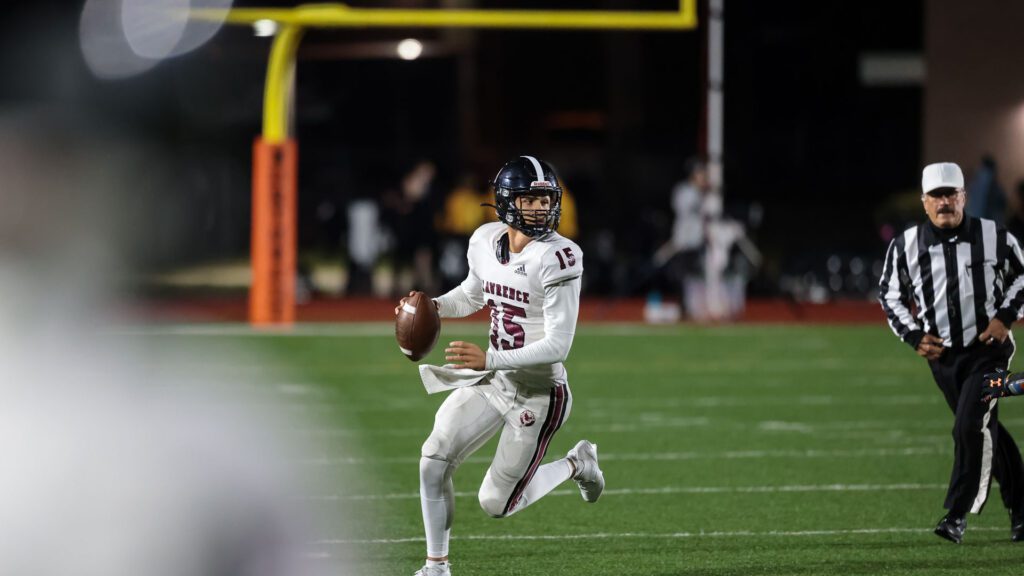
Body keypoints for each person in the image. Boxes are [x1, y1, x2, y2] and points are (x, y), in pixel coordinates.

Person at [395, 155, 605, 576]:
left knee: (496, 503)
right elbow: (473, 295)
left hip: (539, 393)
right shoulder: (485, 240)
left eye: (546, 200)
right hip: (493, 381)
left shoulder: (560, 257)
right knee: (433, 457)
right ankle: (436, 567)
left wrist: (489, 357)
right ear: (507, 202)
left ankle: (576, 463)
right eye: (531, 200)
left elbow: (558, 346)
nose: (541, 209)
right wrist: (431, 306)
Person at [878, 161, 1024, 544]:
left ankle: (957, 515)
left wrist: (1006, 316)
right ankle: (1023, 510)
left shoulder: (995, 235)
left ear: (964, 196)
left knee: (967, 426)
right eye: (936, 196)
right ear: (924, 202)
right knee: (985, 429)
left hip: (988, 352)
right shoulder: (906, 245)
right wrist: (912, 336)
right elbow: (889, 294)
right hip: (943, 360)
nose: (944, 202)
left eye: (951, 194)